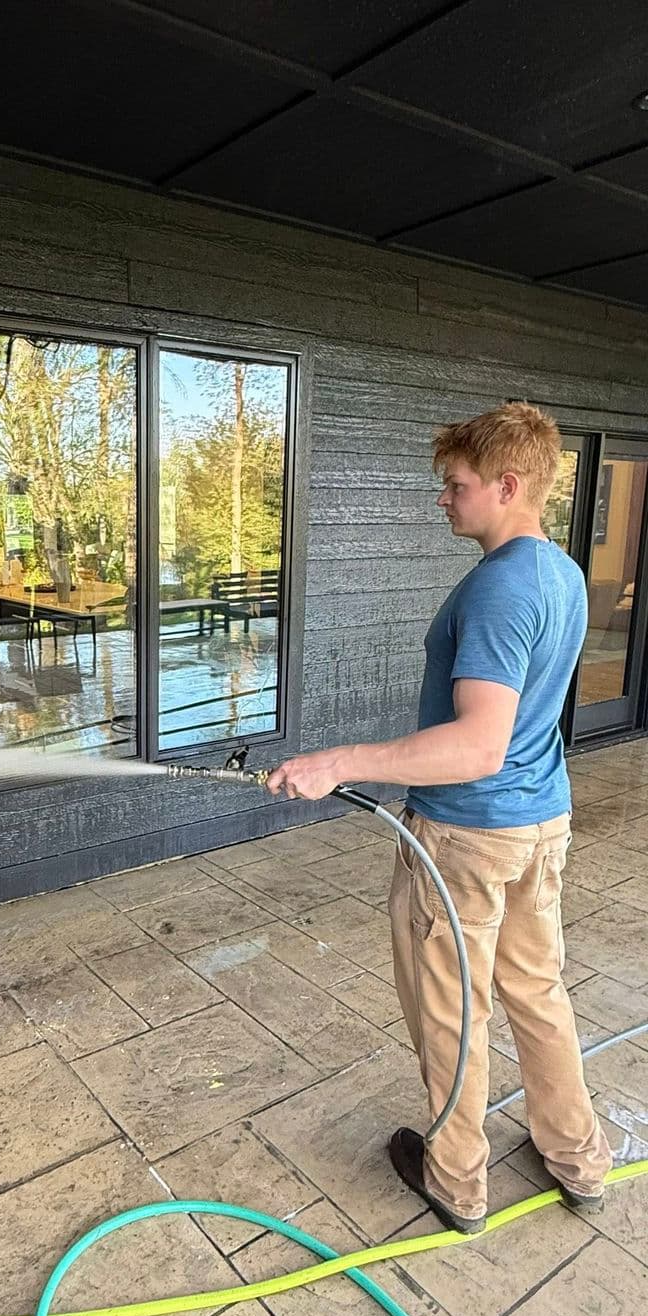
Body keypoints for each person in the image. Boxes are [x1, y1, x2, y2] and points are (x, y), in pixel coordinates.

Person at [267, 401, 611, 1234]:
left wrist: (339, 762)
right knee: (537, 992)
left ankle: (455, 1178)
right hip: (540, 825)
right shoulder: (560, 573)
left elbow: (477, 745)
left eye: (455, 485)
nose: (443, 498)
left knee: (454, 1011)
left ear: (507, 484)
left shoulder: (499, 587)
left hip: (466, 837)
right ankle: (578, 1156)